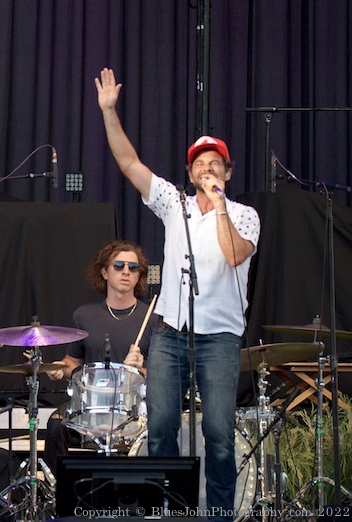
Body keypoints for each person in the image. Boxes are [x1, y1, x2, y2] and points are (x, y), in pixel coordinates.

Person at [95, 68, 260, 520]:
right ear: (189, 173)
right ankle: (164, 512)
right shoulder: (175, 206)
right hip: (170, 333)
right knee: (162, 427)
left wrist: (220, 203)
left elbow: (232, 255)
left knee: (220, 433)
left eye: (215, 164)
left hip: (220, 338)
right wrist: (110, 112)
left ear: (227, 171)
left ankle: (221, 514)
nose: (207, 169)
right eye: (200, 165)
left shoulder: (244, 214)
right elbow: (130, 164)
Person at [44, 240, 153, 469]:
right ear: (104, 272)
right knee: (55, 425)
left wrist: (141, 369)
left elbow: (165, 375)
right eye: (119, 266)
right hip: (91, 403)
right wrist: (59, 369)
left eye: (133, 268)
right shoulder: (84, 315)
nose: (126, 271)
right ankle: (58, 494)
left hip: (135, 406)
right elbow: (73, 362)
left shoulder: (152, 318)